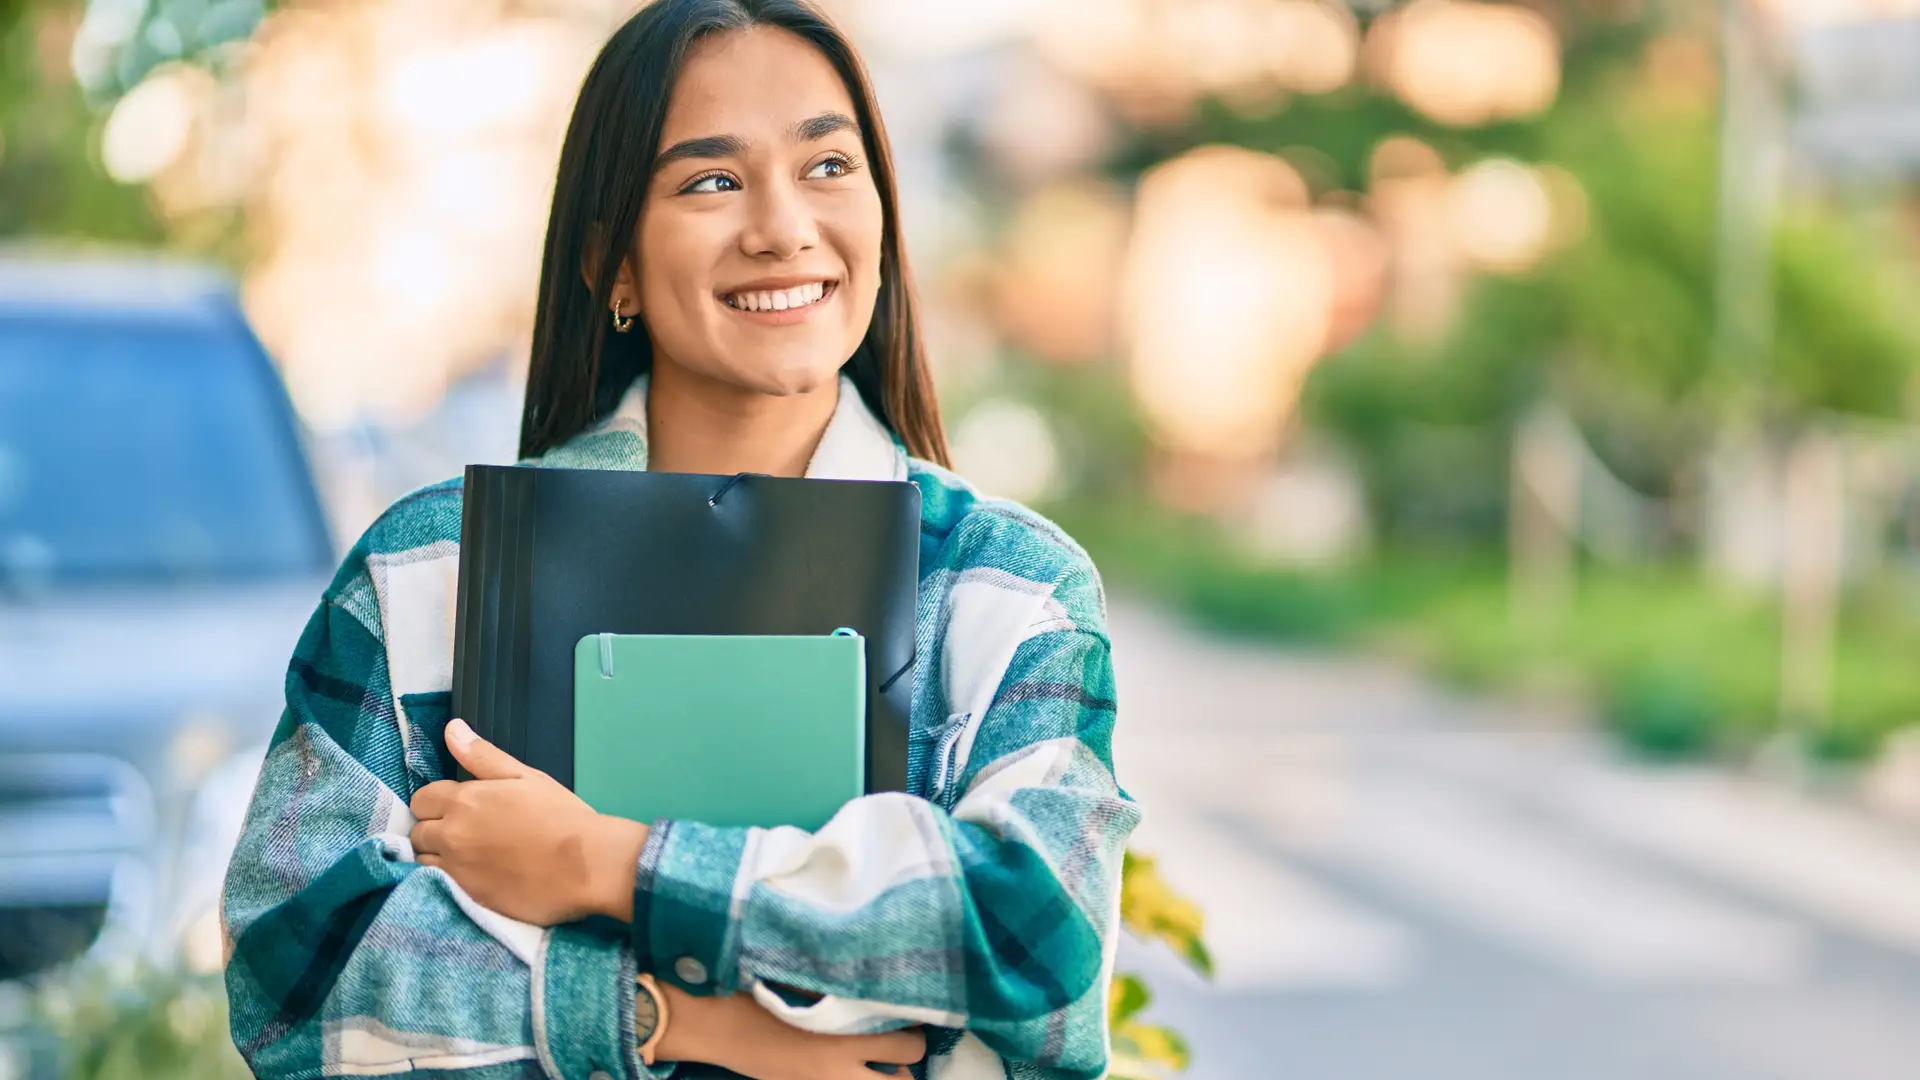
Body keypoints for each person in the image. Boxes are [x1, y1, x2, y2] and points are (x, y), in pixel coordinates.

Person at [220, 2, 1138, 1078]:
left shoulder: (1007, 589)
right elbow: (293, 973)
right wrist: (668, 1020)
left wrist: (607, 863)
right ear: (610, 261)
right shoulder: (433, 569)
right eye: (711, 180)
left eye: (828, 166)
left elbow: (1036, 941)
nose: (784, 226)